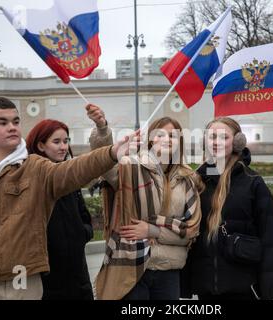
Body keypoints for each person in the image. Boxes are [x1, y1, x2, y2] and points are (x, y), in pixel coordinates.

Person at [0, 97, 132, 300]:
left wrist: (112, 152)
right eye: (2, 122)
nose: (12, 127)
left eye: (16, 122)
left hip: (25, 283)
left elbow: (76, 169)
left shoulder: (35, 168)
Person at [86, 104, 202, 300]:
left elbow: (190, 231)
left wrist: (151, 230)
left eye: (173, 136)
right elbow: (104, 163)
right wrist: (102, 129)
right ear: (150, 140)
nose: (166, 140)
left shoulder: (188, 180)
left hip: (168, 271)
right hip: (131, 268)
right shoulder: (130, 169)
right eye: (160, 135)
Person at [182, 117, 273, 300]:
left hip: (242, 286)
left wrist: (268, 284)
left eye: (224, 137)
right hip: (206, 287)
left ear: (237, 142)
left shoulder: (253, 182)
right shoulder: (197, 180)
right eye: (212, 136)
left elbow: (270, 238)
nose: (216, 142)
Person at [26, 119, 94, 300]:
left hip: (78, 275)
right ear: (40, 145)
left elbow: (85, 217)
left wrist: (82, 233)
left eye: (66, 141)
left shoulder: (70, 177)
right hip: (48, 278)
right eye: (56, 142)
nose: (63, 147)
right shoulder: (30, 178)